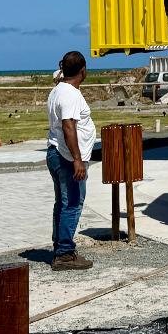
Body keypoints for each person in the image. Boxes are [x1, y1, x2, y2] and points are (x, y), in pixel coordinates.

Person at [46, 51, 96, 271]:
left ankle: (60, 246)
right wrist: (77, 160)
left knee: (63, 203)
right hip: (66, 157)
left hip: (56, 153)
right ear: (83, 70)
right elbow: (68, 126)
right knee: (73, 203)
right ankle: (65, 253)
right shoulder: (70, 94)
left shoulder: (58, 90)